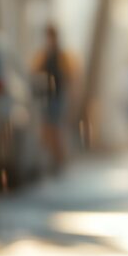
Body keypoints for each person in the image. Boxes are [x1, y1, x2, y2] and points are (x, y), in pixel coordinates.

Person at [31, 23, 77, 173]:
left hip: (58, 97)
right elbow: (34, 71)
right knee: (47, 130)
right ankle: (53, 160)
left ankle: (60, 161)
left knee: (56, 130)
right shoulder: (44, 55)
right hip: (46, 97)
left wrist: (70, 98)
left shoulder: (62, 55)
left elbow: (69, 77)